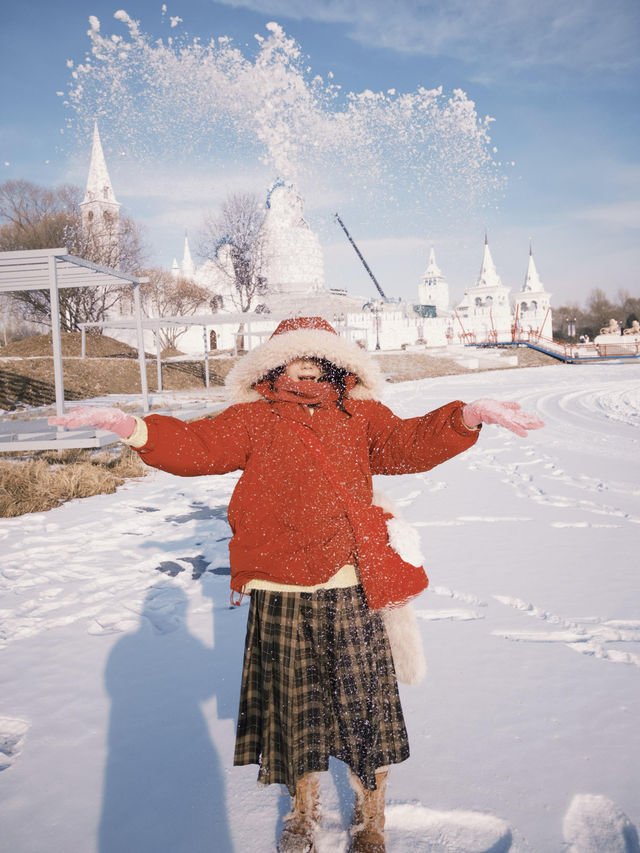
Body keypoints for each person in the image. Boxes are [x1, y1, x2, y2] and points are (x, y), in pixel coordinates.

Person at [50, 316, 544, 853]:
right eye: (293, 358)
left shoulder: (362, 416)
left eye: (317, 357)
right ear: (274, 365)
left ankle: (369, 815)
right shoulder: (252, 420)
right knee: (292, 710)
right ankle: (303, 814)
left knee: (364, 707)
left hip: (352, 584)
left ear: (338, 364)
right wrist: (134, 428)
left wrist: (464, 417)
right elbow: (196, 447)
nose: (305, 367)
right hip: (280, 587)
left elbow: (409, 444)